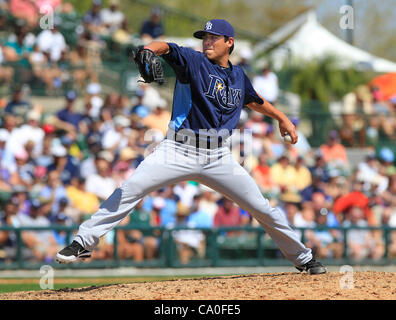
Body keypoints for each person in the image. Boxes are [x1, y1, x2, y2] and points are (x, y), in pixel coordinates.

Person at [56, 19, 326, 274]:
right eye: (205, 37)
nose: (207, 41)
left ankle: (303, 258)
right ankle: (82, 243)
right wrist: (149, 49)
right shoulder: (193, 61)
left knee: (262, 207)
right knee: (129, 190)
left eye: (213, 38)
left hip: (218, 155)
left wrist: (282, 118)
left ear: (229, 42)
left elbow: (254, 100)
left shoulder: (238, 76)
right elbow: (168, 47)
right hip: (178, 150)